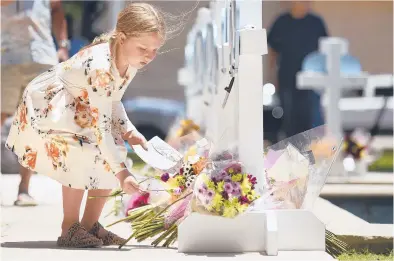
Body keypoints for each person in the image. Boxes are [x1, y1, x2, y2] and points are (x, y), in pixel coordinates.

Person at [5, 3, 164, 248]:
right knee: (80, 152)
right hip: (51, 104)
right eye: (143, 48)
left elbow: (113, 99)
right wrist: (122, 174)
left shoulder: (129, 61)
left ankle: (89, 226)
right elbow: (100, 125)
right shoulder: (100, 66)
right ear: (121, 38)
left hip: (79, 104)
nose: (149, 56)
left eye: (155, 50)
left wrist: (129, 130)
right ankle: (69, 227)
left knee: (115, 152)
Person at [1, 0, 69, 206]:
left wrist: (63, 45)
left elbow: (57, 10)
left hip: (41, 58)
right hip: (6, 58)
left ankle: (24, 189)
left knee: (34, 124)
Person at [267, 1, 329, 138]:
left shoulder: (316, 22)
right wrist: (271, 75)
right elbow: (273, 51)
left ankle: (313, 152)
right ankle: (291, 153)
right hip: (287, 79)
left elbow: (324, 50)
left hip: (311, 82)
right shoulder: (281, 22)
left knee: (311, 119)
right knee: (290, 119)